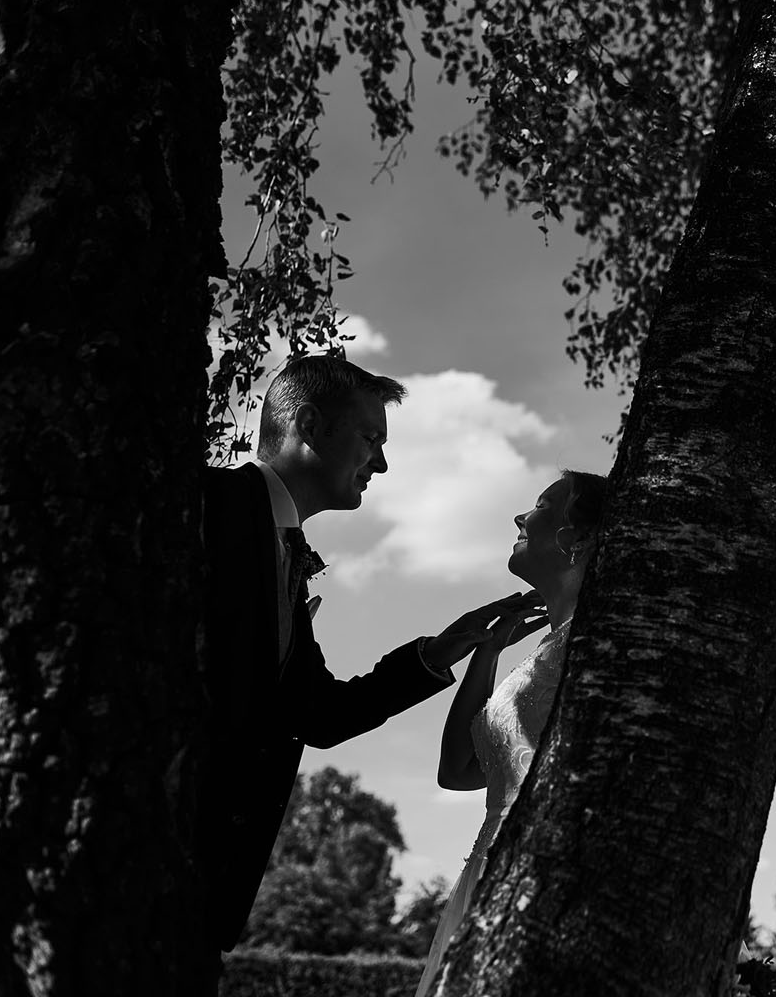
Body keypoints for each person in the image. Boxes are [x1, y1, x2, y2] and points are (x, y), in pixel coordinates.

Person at [198, 355, 544, 963]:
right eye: (370, 438)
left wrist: (440, 652)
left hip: (205, 896)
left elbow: (317, 714)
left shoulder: (288, 555)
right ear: (309, 425)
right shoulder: (209, 508)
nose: (381, 463)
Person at [414, 469, 609, 997]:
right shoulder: (541, 655)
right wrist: (488, 653)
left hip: (541, 883)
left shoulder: (599, 652)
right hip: (487, 875)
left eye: (542, 505)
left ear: (577, 537)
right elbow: (456, 772)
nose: (521, 516)